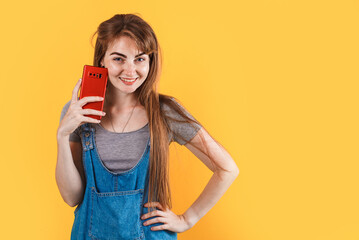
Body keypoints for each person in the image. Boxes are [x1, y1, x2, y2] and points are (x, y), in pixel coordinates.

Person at [56, 13, 239, 240]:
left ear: (150, 61)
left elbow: (227, 169)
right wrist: (63, 135)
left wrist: (186, 219)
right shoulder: (79, 112)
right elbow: (71, 197)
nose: (130, 71)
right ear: (102, 59)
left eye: (140, 59)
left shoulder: (165, 112)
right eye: (118, 59)